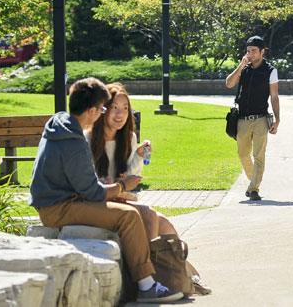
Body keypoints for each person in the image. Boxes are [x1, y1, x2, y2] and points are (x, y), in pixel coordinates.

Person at [29, 77, 183, 303]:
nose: (102, 113)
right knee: (129, 216)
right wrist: (123, 185)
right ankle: (146, 286)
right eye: (103, 108)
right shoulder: (74, 141)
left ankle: (160, 276)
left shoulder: (60, 125)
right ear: (92, 111)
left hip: (64, 201)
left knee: (141, 213)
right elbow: (94, 193)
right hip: (59, 209)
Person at [87, 83, 178, 240]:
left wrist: (139, 156)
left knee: (166, 226)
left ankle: (168, 264)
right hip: (97, 204)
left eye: (125, 108)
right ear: (103, 110)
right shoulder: (87, 139)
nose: (120, 114)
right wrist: (112, 188)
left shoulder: (129, 138)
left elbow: (131, 177)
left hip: (121, 199)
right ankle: (147, 263)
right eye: (114, 108)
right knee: (150, 217)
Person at [225, 36, 281, 202]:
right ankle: (253, 181)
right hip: (242, 118)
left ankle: (253, 188)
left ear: (262, 52)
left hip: (261, 119)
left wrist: (277, 119)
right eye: (248, 51)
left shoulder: (271, 71)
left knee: (259, 155)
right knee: (242, 154)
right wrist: (241, 66)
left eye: (254, 51)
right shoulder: (244, 68)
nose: (250, 54)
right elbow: (229, 84)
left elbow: (275, 96)